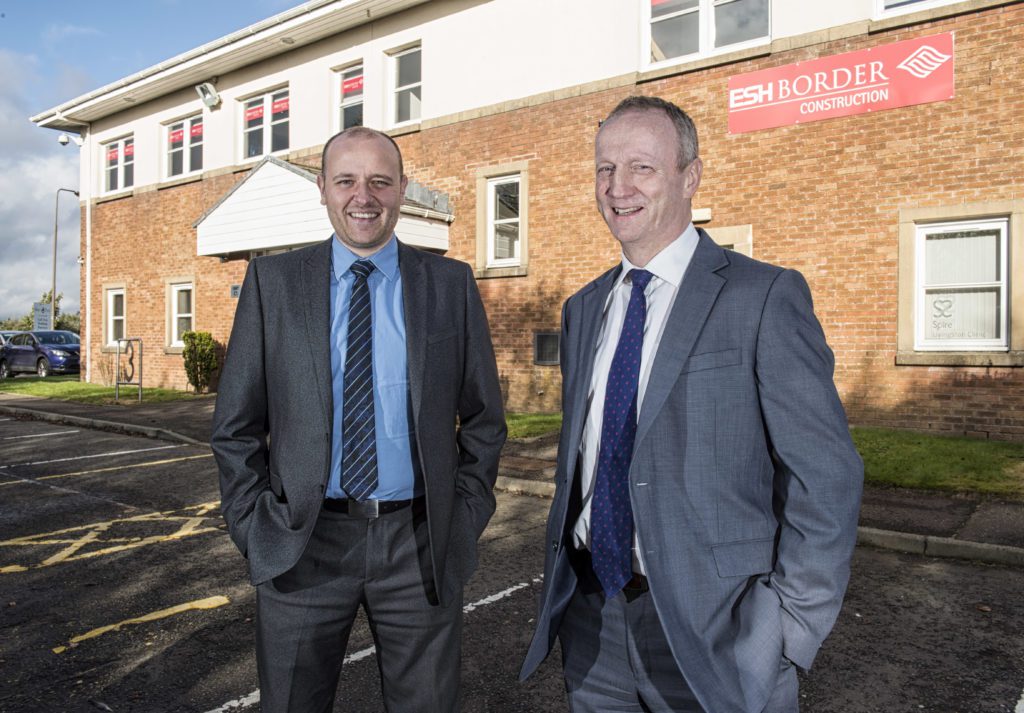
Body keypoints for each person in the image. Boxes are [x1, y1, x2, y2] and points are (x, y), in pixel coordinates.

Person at [520, 96, 864, 712]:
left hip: (721, 630)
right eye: (604, 169)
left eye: (642, 167)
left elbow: (825, 475)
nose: (617, 187)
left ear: (691, 175)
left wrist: (788, 627)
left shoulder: (762, 296)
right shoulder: (583, 309)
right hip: (594, 624)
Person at [212, 126, 506, 713]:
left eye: (379, 181)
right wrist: (254, 525)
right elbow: (236, 426)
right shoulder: (274, 284)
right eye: (346, 180)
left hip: (418, 544)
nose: (362, 196)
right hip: (304, 542)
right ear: (322, 189)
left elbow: (483, 420)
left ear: (401, 190)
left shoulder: (449, 284)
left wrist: (463, 515)